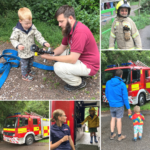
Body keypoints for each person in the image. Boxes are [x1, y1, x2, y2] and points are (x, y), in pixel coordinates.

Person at [41, 5, 100, 91]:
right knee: (59, 55)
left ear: (70, 18)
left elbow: (72, 59)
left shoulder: (80, 32)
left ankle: (78, 83)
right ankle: (77, 72)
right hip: (80, 57)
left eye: (61, 21)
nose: (59, 24)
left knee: (57, 66)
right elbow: (62, 47)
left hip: (90, 65)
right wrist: (50, 54)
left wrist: (50, 58)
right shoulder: (69, 28)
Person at [10, 7, 50, 81]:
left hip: (31, 51)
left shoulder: (32, 28)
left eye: (30, 22)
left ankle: (29, 70)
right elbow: (13, 39)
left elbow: (38, 36)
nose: (29, 25)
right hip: (23, 52)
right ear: (20, 21)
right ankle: (24, 76)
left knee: (31, 62)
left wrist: (43, 42)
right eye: (26, 23)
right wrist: (18, 45)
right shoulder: (17, 31)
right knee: (24, 64)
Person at [105, 69, 131, 141]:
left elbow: (106, 94)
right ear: (121, 76)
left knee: (113, 118)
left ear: (114, 75)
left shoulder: (108, 83)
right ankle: (119, 136)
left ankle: (112, 135)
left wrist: (110, 101)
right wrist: (128, 108)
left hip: (112, 105)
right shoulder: (122, 84)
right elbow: (125, 98)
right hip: (119, 105)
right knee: (118, 120)